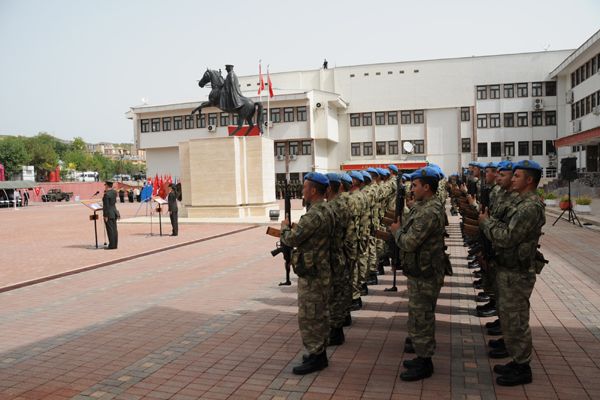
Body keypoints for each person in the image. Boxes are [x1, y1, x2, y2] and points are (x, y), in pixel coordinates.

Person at [479, 160, 546, 386]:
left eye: (517, 176)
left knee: (516, 320)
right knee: (509, 318)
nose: (512, 178)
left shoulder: (530, 207)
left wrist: (486, 224)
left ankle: (522, 366)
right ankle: (517, 360)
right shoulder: (520, 202)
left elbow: (507, 237)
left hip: (518, 272)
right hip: (508, 268)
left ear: (529, 180)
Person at [390, 166, 446, 381]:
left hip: (426, 274)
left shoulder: (429, 211)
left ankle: (425, 362)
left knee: (422, 318)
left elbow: (410, 241)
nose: (412, 190)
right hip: (420, 271)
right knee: (418, 316)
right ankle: (422, 356)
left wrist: (397, 233)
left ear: (427, 187)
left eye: (415, 186)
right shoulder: (424, 207)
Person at [280, 172, 334, 375]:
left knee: (310, 316)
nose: (302, 191)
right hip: (321, 270)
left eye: (304, 188)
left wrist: (285, 229)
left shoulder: (314, 214)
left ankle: (317, 355)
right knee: (319, 314)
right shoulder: (327, 210)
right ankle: (317, 353)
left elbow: (292, 239)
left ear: (312, 190)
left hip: (313, 275)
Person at [102, 181, 119, 249]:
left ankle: (111, 245)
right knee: (114, 229)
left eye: (105, 185)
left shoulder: (106, 194)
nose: (104, 186)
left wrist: (105, 215)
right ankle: (115, 245)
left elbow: (106, 206)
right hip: (114, 212)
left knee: (110, 230)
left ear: (107, 186)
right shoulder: (114, 192)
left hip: (109, 213)